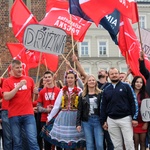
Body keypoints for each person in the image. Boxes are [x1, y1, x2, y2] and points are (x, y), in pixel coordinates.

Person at [2, 59, 39, 150]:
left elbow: (35, 99)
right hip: (14, 115)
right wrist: (18, 86)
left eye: (21, 67)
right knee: (17, 142)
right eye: (17, 68)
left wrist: (36, 93)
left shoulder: (29, 80)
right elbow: (6, 97)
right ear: (12, 69)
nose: (20, 69)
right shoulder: (7, 81)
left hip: (28, 114)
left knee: (32, 140)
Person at [100, 67, 139, 150]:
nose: (114, 75)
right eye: (112, 74)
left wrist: (135, 118)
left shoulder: (126, 86)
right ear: (108, 76)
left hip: (125, 119)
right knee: (117, 145)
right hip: (111, 120)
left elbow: (133, 102)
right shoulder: (106, 89)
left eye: (116, 73)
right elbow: (103, 106)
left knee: (129, 142)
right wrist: (103, 121)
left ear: (118, 74)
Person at [47, 70, 86, 149]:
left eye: (71, 78)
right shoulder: (62, 90)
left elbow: (82, 106)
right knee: (66, 141)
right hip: (64, 117)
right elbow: (57, 105)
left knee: (77, 142)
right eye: (68, 78)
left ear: (75, 79)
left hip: (75, 117)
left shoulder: (79, 91)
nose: (70, 79)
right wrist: (50, 117)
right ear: (66, 79)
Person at [76, 74, 104, 150]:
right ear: (86, 82)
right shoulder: (82, 95)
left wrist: (105, 121)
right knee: (89, 144)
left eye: (93, 80)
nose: (91, 81)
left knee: (99, 144)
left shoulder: (101, 94)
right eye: (89, 80)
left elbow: (104, 108)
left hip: (98, 120)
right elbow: (79, 110)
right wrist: (78, 124)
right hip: (86, 121)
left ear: (95, 82)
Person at [37, 71, 60, 150]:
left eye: (49, 77)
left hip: (57, 119)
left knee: (58, 142)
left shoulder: (59, 91)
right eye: (46, 77)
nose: (47, 79)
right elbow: (38, 107)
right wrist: (46, 110)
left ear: (53, 77)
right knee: (47, 143)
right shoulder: (42, 91)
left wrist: (54, 108)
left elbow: (62, 106)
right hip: (44, 119)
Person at [131, 76, 149, 150]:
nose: (139, 84)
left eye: (141, 82)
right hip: (132, 122)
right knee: (135, 142)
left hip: (143, 122)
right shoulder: (129, 93)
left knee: (142, 142)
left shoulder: (145, 94)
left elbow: (148, 109)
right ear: (134, 82)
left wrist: (146, 123)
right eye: (137, 82)